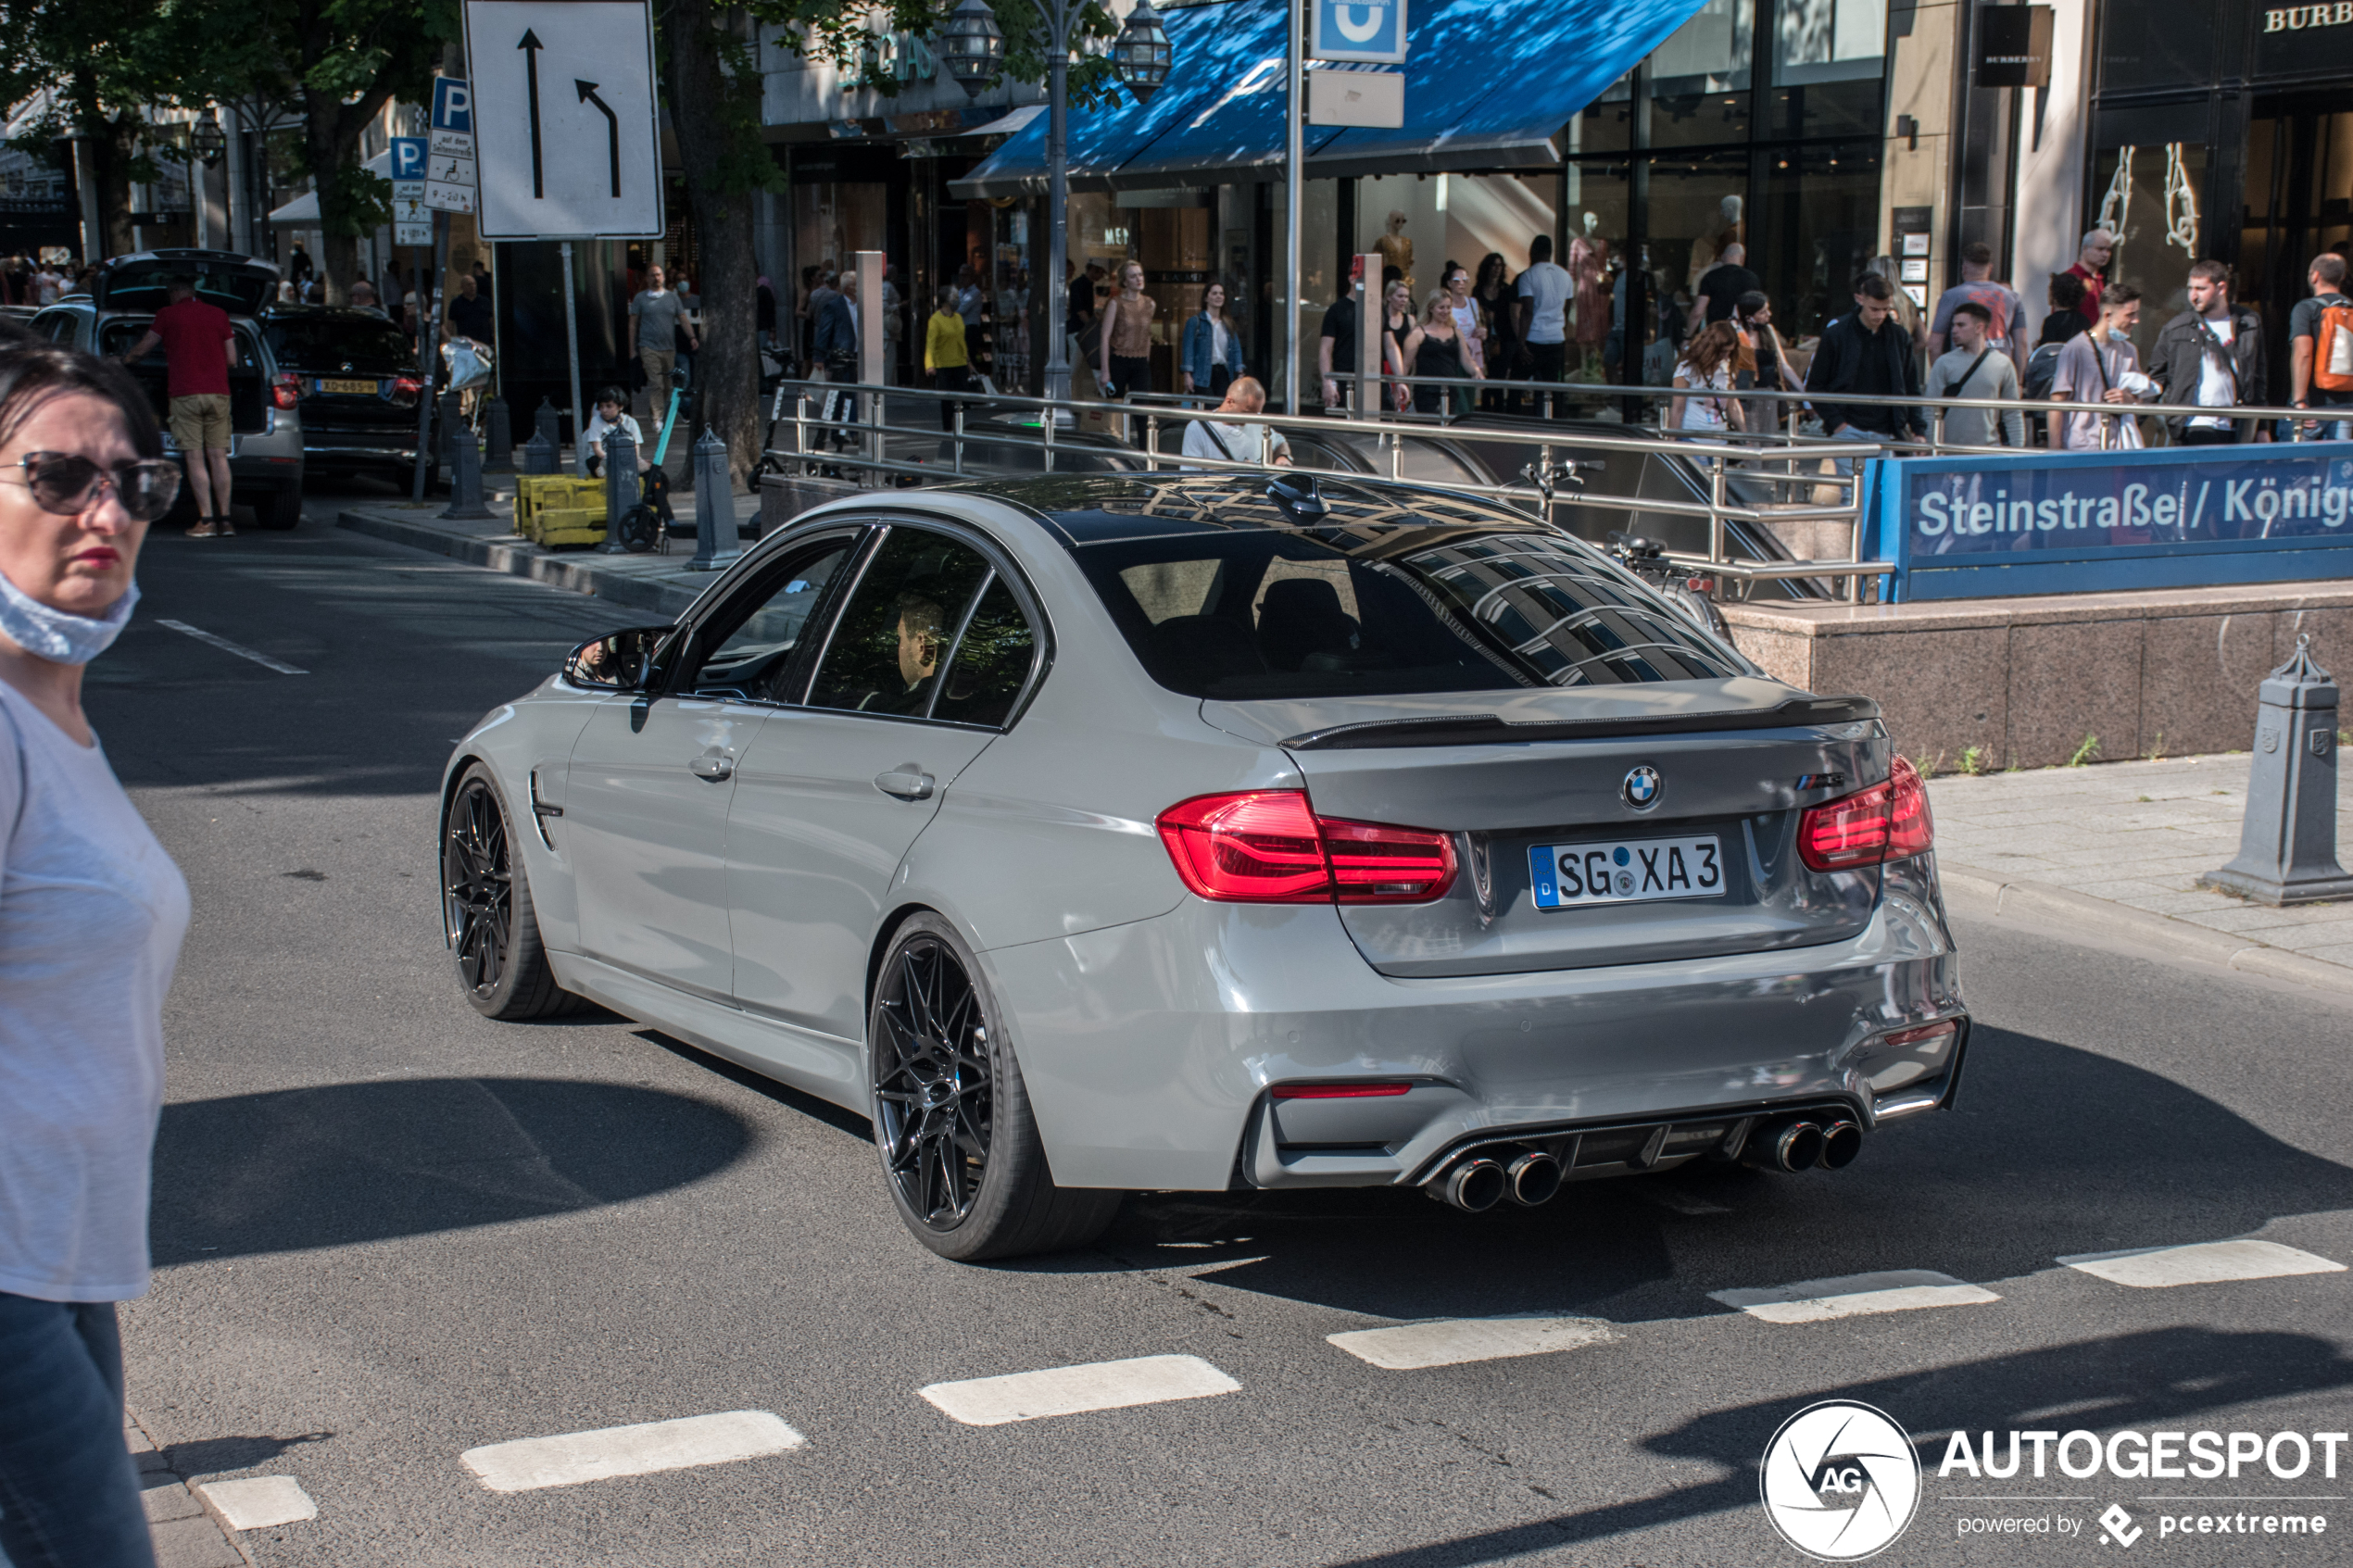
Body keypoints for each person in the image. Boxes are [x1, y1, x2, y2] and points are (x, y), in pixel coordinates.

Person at [0, 336, 193, 1568]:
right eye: (58, 477)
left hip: (66, 1259)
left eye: (132, 480)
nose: (103, 510)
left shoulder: (57, 718)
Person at [120, 275, 236, 537]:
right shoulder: (220, 314)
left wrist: (126, 359)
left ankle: (206, 520)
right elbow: (232, 359)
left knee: (195, 458)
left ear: (173, 293)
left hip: (185, 393)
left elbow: (144, 348)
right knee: (218, 457)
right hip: (219, 393)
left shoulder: (167, 314)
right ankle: (226, 520)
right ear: (193, 291)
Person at [1803, 273, 1926, 466]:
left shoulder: (1899, 337)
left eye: (1885, 309)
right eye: (1874, 309)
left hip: (1885, 429)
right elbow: (1815, 385)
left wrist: (1919, 430)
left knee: (1874, 492)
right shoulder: (1836, 335)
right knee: (1851, 493)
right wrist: (1838, 424)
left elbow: (1910, 385)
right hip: (1850, 427)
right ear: (1859, 299)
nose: (1879, 315)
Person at [2152, 259, 2268, 445]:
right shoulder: (2177, 328)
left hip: (2236, 424)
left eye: (2201, 288)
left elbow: (2258, 378)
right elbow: (2157, 378)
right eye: (2190, 288)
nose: (2193, 296)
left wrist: (2262, 427)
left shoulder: (2248, 323)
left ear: (2222, 288)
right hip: (2194, 423)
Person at [2048, 282, 2152, 450]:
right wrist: (2054, 451)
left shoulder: (2129, 350)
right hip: (2081, 445)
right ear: (2107, 314)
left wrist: (2128, 399)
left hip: (2118, 445)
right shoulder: (2076, 349)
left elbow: (2138, 397)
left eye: (2137, 313)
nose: (2136, 320)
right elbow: (2057, 402)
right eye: (2130, 314)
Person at [1923, 300, 2024, 448]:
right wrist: (1934, 446)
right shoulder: (1944, 363)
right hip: (1949, 450)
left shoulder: (2003, 364)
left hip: (1988, 450)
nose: (1954, 330)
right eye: (1953, 325)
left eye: (1961, 325)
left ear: (1979, 327)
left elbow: (2012, 413)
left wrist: (2018, 451)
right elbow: (1930, 409)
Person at [1926, 241, 2026, 372]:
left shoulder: (1951, 296)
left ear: (1964, 267)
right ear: (1990, 268)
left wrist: (1941, 375)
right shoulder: (2012, 297)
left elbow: (1934, 344)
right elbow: (2021, 343)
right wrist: (2018, 380)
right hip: (2000, 370)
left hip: (1961, 370)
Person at [2289, 252, 2353, 440]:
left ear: (2315, 275)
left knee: (2301, 465)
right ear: (2341, 277)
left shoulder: (2306, 308)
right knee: (2340, 465)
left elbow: (2304, 353)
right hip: (2347, 406)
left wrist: (2299, 401)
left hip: (2313, 406)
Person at [628, 264, 696, 434]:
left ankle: (654, 411)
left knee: (667, 386)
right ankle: (658, 418)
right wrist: (632, 349)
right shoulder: (640, 298)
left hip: (669, 348)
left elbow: (683, 319)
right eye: (652, 275)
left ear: (663, 277)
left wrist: (692, 337)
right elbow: (633, 323)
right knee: (656, 383)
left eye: (658, 274)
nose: (656, 278)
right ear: (647, 278)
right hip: (648, 346)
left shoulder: (672, 299)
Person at [1179, 376, 1293, 468]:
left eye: (1256, 413)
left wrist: (1283, 457)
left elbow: (1279, 441)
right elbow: (1190, 476)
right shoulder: (1197, 429)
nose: (1252, 419)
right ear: (1230, 402)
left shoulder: (1257, 422)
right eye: (1246, 413)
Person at [1402, 289, 1479, 417]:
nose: (1445, 311)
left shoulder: (1456, 332)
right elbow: (1406, 364)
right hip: (1427, 391)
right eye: (1441, 307)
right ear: (1431, 308)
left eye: (1448, 307)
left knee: (1448, 424)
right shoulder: (1418, 333)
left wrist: (1476, 371)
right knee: (1432, 425)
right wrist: (1401, 385)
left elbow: (1466, 360)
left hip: (1451, 389)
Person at [1516, 233, 1571, 408]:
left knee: (1516, 385)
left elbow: (1527, 311)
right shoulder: (1564, 275)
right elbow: (1567, 307)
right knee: (1552, 387)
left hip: (1534, 338)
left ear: (1533, 252)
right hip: (1556, 338)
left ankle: (1512, 424)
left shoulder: (1528, 276)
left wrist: (1521, 343)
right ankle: (1551, 423)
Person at [1734, 291, 1800, 436]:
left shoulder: (1768, 331)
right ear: (1749, 316)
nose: (1768, 315)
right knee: (1750, 438)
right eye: (1762, 312)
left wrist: (1803, 391)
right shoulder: (1737, 334)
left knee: (1769, 438)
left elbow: (1783, 364)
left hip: (1769, 391)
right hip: (1746, 394)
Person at [1670, 320, 1744, 434]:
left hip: (1720, 441)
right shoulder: (1686, 369)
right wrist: (1671, 442)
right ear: (1711, 349)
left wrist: (1747, 438)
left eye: (1730, 352)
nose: (1726, 356)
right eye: (1723, 351)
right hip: (1692, 439)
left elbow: (1733, 407)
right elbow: (1677, 409)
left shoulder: (1727, 369)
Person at [1098, 261, 1156, 400]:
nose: (1138, 279)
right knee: (1116, 408)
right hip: (1119, 360)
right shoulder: (1115, 303)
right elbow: (1105, 337)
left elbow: (1147, 335)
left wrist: (1146, 360)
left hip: (1141, 361)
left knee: (1142, 409)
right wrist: (1105, 372)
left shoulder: (1150, 304)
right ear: (1125, 281)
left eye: (1140, 275)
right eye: (1133, 276)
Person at [1472, 253, 1521, 412]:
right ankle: (1486, 410)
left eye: (1500, 266)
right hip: (1486, 340)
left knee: (1499, 377)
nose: (1496, 269)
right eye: (1493, 265)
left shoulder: (1506, 290)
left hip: (1505, 338)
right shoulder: (1478, 290)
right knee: (1486, 376)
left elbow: (1512, 314)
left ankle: (1499, 411)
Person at [1180, 281, 1245, 400]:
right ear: (1206, 298)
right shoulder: (1195, 322)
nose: (1218, 296)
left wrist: (1240, 372)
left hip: (1224, 373)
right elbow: (1188, 349)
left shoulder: (1228, 323)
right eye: (1214, 293)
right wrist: (1187, 375)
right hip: (1202, 373)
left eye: (1221, 293)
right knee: (1208, 410)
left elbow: (1236, 349)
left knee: (1222, 410)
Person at [924, 285, 973, 434]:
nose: (957, 301)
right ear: (946, 301)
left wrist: (968, 361)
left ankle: (960, 425)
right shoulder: (935, 320)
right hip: (943, 364)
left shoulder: (958, 318)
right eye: (955, 297)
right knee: (946, 398)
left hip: (959, 362)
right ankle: (947, 427)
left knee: (962, 396)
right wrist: (929, 365)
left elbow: (961, 341)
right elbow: (930, 344)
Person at [1689, 242, 1760, 333]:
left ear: (1723, 257)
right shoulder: (1752, 278)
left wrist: (1688, 337)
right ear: (1742, 258)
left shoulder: (1710, 277)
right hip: (1742, 334)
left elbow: (1698, 311)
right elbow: (1757, 310)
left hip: (1716, 334)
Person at [579, 386, 650, 477]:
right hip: (603, 458)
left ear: (620, 406)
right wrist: (612, 459)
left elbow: (636, 448)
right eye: (601, 406)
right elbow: (597, 449)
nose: (604, 410)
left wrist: (632, 461)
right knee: (594, 463)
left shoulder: (630, 422)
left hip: (626, 459)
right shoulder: (596, 421)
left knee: (652, 473)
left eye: (609, 406)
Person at [1442, 262, 1483, 415]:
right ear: (1449, 283)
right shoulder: (1447, 304)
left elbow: (1476, 324)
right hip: (1455, 353)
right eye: (1456, 281)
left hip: (1471, 353)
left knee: (1469, 394)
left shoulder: (1472, 302)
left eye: (1464, 280)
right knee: (1459, 398)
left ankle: (1468, 423)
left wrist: (1481, 332)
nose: (1461, 284)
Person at [814, 271, 860, 382]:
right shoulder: (833, 306)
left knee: (856, 391)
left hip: (860, 354)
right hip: (841, 356)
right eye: (856, 284)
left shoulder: (863, 305)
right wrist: (818, 358)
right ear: (848, 288)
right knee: (842, 391)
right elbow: (824, 332)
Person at [2066, 229, 2113, 326]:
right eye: (2100, 249)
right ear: (2085, 248)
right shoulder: (2071, 278)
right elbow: (2062, 319)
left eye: (2108, 250)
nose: (2105, 254)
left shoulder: (2098, 279)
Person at [755, 274, 779, 355]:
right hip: (756, 327)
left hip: (762, 328)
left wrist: (772, 330)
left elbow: (771, 311)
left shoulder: (764, 291)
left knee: (764, 354)